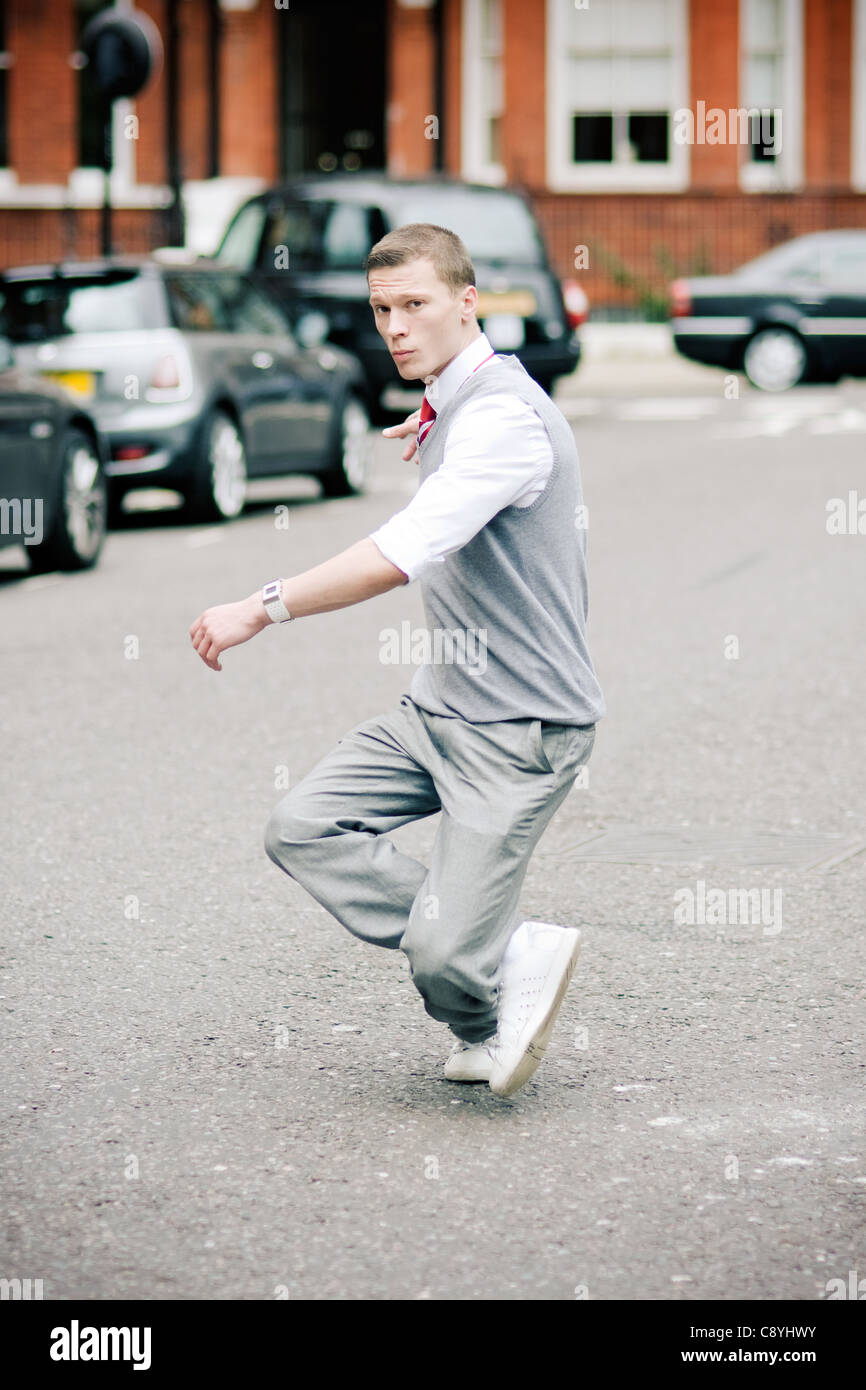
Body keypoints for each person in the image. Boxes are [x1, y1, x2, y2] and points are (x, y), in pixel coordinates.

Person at [188, 222, 605, 1097]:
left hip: (521, 729)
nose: (396, 326)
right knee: (301, 828)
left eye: (416, 304)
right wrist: (431, 414)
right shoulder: (462, 400)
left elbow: (398, 552)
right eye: (382, 309)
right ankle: (494, 954)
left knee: (444, 954)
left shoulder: (502, 422)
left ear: (467, 299)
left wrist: (260, 608)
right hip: (437, 712)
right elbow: (457, 410)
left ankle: (479, 968)